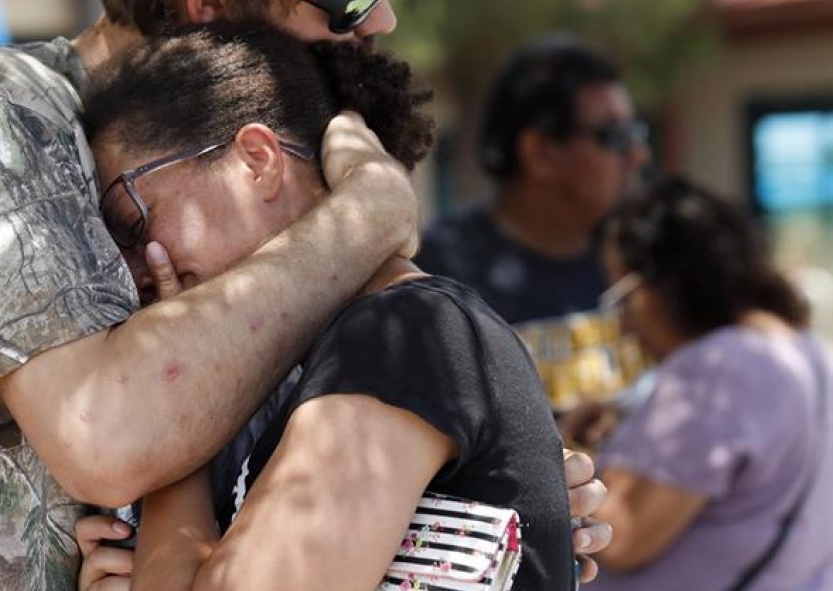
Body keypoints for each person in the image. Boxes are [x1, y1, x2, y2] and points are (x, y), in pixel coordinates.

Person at [0, 1, 609, 589]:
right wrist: (369, 214)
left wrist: (473, 498)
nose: (378, 18)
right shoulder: (3, 107)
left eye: (139, 226)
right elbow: (103, 432)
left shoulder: (382, 317)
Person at [77, 23, 577, 591]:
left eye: (135, 221)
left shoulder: (401, 336)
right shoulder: (360, 352)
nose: (138, 268)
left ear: (257, 159)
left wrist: (171, 429)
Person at [568, 177, 833, 590]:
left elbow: (621, 535)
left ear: (668, 283)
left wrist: (567, 452)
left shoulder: (717, 370)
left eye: (623, 296)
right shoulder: (803, 348)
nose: (623, 325)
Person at [415, 34, 651, 409]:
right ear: (540, 153)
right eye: (615, 136)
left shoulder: (644, 256)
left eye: (637, 132)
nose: (639, 154)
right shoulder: (440, 277)